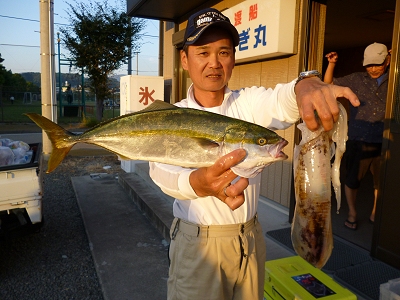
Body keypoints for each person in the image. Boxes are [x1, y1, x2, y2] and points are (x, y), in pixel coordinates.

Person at [149, 7, 359, 300]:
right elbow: (159, 169)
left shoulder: (247, 103)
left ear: (234, 59)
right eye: (203, 52)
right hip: (198, 243)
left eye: (224, 52)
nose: (214, 63)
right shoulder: (174, 116)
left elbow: (280, 100)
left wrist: (305, 84)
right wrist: (196, 183)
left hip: (250, 237)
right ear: (185, 59)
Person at [324, 42, 390, 230]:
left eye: (377, 64)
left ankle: (375, 212)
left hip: (384, 141)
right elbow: (328, 84)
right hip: (357, 139)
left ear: (387, 61)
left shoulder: (394, 80)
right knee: (352, 180)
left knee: (380, 181)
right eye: (369, 64)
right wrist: (332, 64)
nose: (373, 69)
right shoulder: (357, 79)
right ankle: (352, 213)